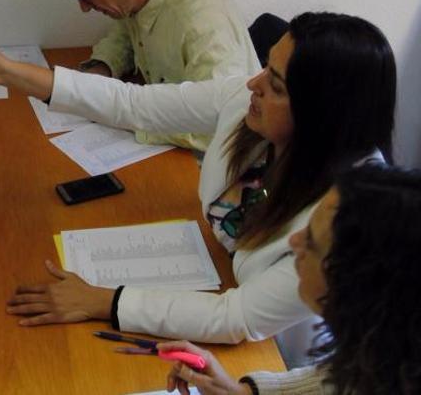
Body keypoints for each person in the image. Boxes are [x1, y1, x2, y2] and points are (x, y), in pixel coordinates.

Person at [0, 12, 396, 366]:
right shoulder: (249, 105)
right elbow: (133, 104)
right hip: (214, 273)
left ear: (322, 113)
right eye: (265, 69)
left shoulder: (345, 211)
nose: (253, 84)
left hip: (278, 357)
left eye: (274, 84)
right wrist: (6, 71)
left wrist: (106, 300)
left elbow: (236, 319)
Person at [161, 165, 421, 394]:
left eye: (311, 242)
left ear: (356, 283)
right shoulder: (389, 350)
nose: (294, 242)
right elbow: (346, 378)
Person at [47, 0, 261, 151]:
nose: (84, 8)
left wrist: (128, 118)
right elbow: (124, 37)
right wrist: (102, 67)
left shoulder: (201, 22)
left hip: (214, 158)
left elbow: (220, 122)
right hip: (168, 142)